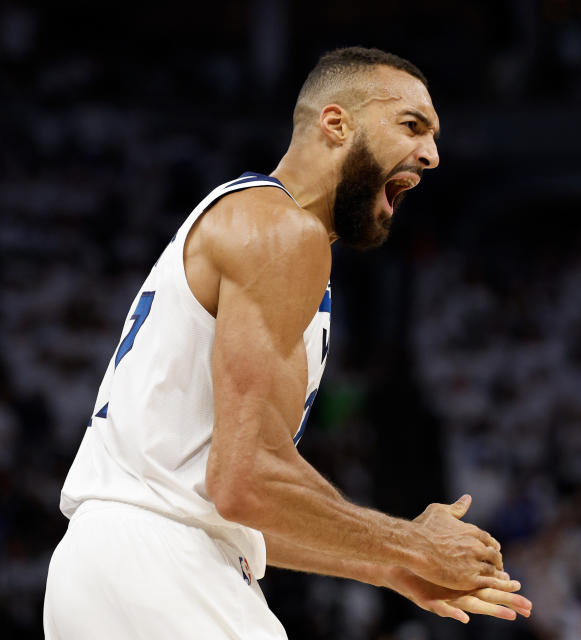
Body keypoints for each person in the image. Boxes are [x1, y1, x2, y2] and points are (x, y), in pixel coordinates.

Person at [43, 46, 532, 639]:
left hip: (104, 568)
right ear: (336, 123)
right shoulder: (283, 230)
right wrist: (411, 542)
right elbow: (243, 481)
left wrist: (391, 564)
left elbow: (232, 503)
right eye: (411, 126)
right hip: (163, 563)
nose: (430, 156)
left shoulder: (250, 220)